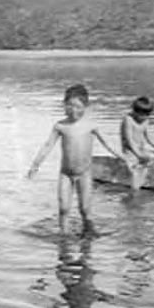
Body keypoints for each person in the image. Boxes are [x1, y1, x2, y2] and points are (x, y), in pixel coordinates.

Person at [27, 84, 126, 237]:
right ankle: (64, 235)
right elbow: (47, 145)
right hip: (65, 174)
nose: (74, 110)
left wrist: (123, 157)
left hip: (84, 174)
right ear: (64, 105)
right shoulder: (60, 126)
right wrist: (35, 165)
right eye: (70, 106)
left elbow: (107, 143)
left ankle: (89, 230)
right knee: (64, 208)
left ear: (86, 107)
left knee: (85, 209)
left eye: (78, 107)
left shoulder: (90, 125)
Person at [120, 96, 154, 190]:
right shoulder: (128, 119)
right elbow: (129, 140)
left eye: (148, 115)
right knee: (136, 169)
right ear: (135, 112)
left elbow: (149, 139)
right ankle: (135, 189)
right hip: (130, 152)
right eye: (142, 115)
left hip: (141, 149)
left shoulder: (146, 120)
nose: (145, 117)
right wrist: (138, 155)